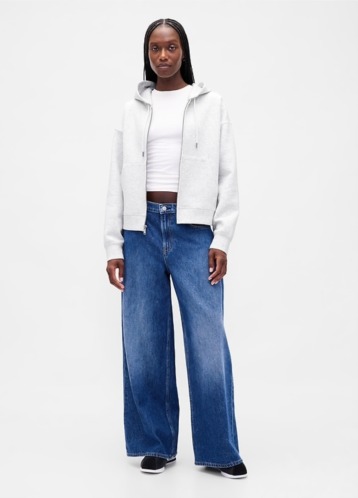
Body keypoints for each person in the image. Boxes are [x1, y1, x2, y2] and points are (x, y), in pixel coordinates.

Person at [104, 18, 247, 480]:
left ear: (183, 51)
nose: (163, 56)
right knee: (143, 341)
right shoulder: (132, 110)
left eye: (170, 47)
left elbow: (227, 174)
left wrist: (221, 238)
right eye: (155, 48)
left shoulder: (210, 103)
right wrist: (114, 244)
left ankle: (220, 449)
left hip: (193, 232)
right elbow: (116, 178)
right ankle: (155, 443)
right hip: (140, 231)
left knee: (207, 342)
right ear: (147, 54)